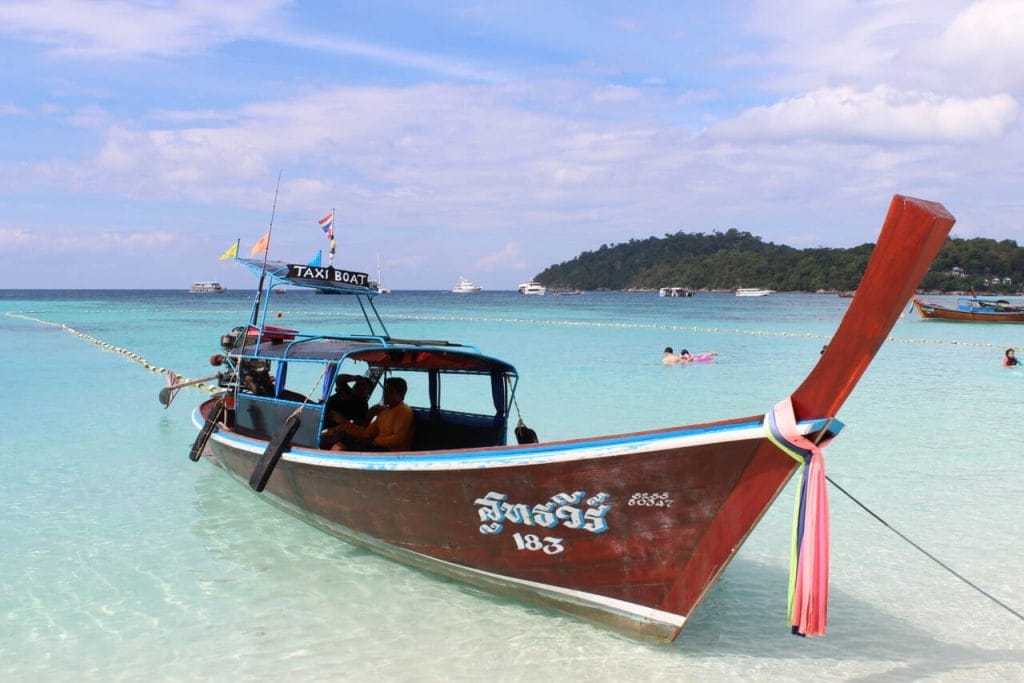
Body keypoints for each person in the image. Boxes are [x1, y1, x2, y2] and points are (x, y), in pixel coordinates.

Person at [327, 377, 415, 452]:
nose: (385, 394)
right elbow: (366, 433)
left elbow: (398, 439)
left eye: (390, 391)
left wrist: (374, 442)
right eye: (385, 390)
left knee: (352, 445)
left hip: (392, 452)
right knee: (345, 440)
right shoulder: (384, 413)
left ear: (401, 395)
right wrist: (344, 422)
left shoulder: (404, 411)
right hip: (378, 446)